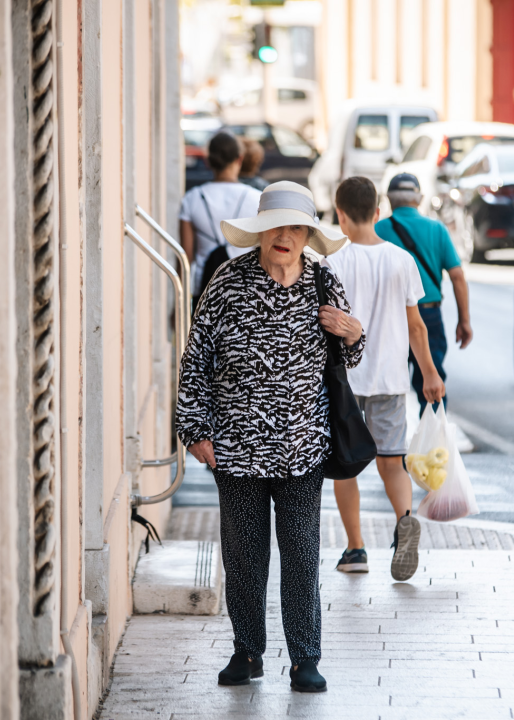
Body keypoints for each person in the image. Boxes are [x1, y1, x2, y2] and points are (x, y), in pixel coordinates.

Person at [177, 181, 365, 693]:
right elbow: (197, 357)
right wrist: (194, 429)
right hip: (237, 446)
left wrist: (352, 334)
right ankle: (248, 651)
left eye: (296, 227)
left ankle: (305, 658)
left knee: (302, 555)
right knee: (244, 556)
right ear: (261, 230)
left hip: (303, 444)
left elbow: (348, 359)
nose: (285, 235)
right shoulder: (227, 282)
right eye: (277, 225)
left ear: (307, 235)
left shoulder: (323, 283)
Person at [324, 177, 446, 582]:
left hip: (345, 381)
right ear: (379, 213)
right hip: (391, 379)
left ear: (340, 216)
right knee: (392, 461)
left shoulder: (333, 262)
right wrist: (429, 373)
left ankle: (356, 548)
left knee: (346, 467)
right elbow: (417, 327)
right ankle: (404, 520)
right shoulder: (401, 259)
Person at [376, 173, 472, 414]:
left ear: (389, 199)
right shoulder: (436, 229)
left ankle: (391, 449)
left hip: (389, 319)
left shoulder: (377, 229)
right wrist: (464, 320)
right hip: (428, 316)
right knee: (431, 385)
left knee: (386, 390)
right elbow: (457, 276)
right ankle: (432, 447)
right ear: (418, 199)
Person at [179, 131, 261, 306]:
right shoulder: (257, 199)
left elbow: (185, 258)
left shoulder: (192, 198)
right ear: (239, 159)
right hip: (248, 290)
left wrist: (178, 303)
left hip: (205, 291)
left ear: (208, 161)